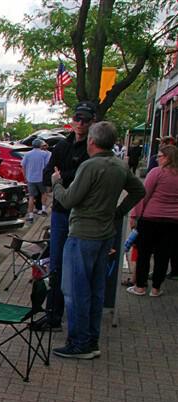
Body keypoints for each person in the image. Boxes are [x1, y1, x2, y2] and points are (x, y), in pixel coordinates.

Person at [50, 121, 145, 359]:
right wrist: (118, 211)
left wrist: (57, 184)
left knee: (75, 291)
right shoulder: (119, 165)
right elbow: (138, 191)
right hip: (104, 234)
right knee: (95, 290)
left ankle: (79, 343)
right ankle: (91, 340)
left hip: (83, 234)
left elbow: (69, 200)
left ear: (92, 141)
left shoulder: (90, 167)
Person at [35, 100, 98, 333]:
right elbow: (47, 174)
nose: (80, 123)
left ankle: (81, 324)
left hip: (83, 216)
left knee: (80, 269)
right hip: (61, 213)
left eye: (85, 119)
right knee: (57, 264)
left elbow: (85, 177)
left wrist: (61, 177)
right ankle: (53, 315)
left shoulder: (94, 148)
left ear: (93, 122)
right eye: (77, 118)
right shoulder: (62, 146)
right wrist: (60, 178)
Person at [127, 144, 178, 297]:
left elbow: (144, 195)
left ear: (168, 158)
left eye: (160, 156)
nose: (157, 159)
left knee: (144, 253)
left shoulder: (156, 173)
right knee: (163, 255)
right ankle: (156, 288)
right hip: (173, 221)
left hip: (150, 218)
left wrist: (135, 215)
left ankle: (140, 286)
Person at [21, 138, 51, 221]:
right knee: (44, 193)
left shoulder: (27, 154)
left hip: (30, 178)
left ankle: (30, 215)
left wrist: (25, 177)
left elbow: (23, 166)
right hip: (41, 177)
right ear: (40, 145)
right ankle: (43, 209)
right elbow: (47, 165)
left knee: (31, 197)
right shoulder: (44, 154)